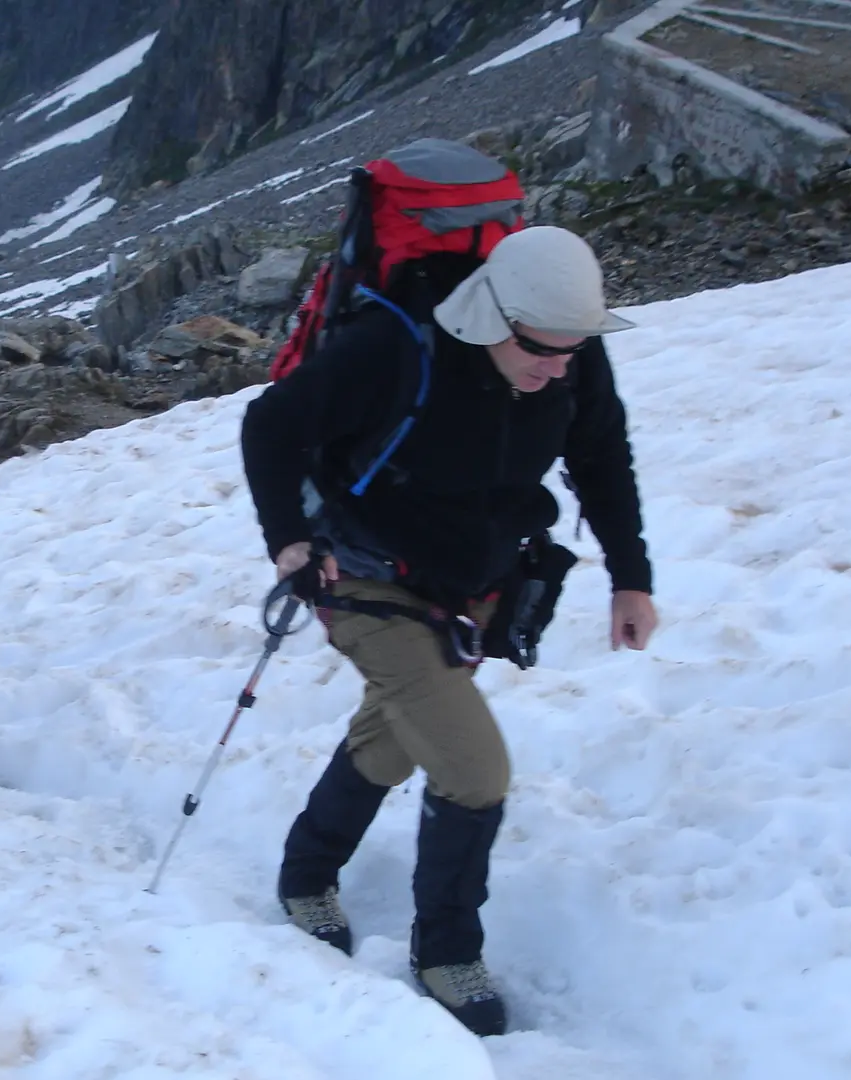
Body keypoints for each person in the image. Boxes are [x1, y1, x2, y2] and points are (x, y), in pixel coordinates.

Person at [239, 225, 659, 1036]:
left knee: (398, 734)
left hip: (472, 582)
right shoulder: (395, 348)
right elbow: (271, 425)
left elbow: (602, 453)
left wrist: (630, 575)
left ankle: (306, 872)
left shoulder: (565, 345)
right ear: (496, 318)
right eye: (541, 351)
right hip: (363, 575)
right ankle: (446, 953)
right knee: (474, 768)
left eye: (574, 352)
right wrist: (289, 541)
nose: (559, 369)